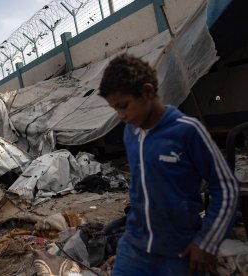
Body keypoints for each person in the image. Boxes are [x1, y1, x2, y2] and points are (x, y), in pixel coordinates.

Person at [98, 54, 239, 275]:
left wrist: (207, 243)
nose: (121, 115)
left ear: (147, 91)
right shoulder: (130, 132)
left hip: (179, 250)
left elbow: (226, 188)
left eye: (124, 106)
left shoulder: (187, 130)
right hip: (135, 245)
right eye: (115, 109)